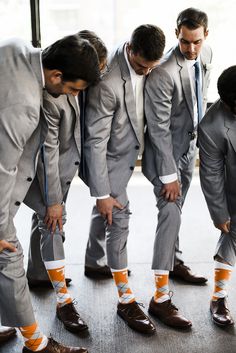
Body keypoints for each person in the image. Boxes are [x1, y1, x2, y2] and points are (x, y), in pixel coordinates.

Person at [0, 35, 100, 353]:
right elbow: (3, 168)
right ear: (56, 75)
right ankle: (37, 346)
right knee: (9, 253)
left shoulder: (16, 47)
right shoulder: (26, 106)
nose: (72, 96)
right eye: (73, 89)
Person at [84, 24, 165, 334]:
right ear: (130, 49)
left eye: (151, 68)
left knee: (103, 212)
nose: (146, 73)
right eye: (142, 66)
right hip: (110, 159)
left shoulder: (146, 60)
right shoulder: (107, 83)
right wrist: (102, 192)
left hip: (129, 153)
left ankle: (94, 260)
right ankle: (126, 301)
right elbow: (95, 141)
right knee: (118, 216)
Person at [25, 30, 108, 334]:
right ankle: (63, 303)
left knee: (43, 223)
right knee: (53, 223)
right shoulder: (52, 95)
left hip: (62, 169)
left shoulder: (73, 80)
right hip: (44, 174)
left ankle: (38, 273)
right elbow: (47, 152)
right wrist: (53, 201)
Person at [142, 8, 212, 328]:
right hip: (164, 154)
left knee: (179, 210)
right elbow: (157, 129)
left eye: (196, 41)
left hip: (189, 148)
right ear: (177, 34)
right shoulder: (163, 73)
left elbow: (200, 98)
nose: (191, 49)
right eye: (185, 42)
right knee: (170, 211)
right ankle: (159, 298)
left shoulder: (206, 52)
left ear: (205, 36)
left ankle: (174, 261)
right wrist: (169, 175)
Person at [199, 66, 236, 327]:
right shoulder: (212, 126)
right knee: (232, 232)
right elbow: (211, 173)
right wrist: (220, 214)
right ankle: (218, 297)